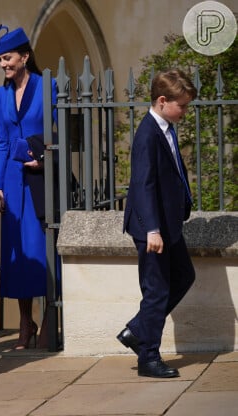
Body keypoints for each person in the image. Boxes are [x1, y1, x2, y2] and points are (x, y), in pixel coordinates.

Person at [119, 69, 197, 378]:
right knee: (156, 291)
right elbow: (143, 184)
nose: (185, 111)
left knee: (183, 276)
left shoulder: (166, 126)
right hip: (154, 228)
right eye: (183, 105)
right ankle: (148, 358)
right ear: (163, 101)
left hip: (169, 225)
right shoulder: (147, 133)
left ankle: (136, 331)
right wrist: (152, 229)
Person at [0, 24, 58, 350]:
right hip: (14, 186)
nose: (4, 64)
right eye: (1, 60)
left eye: (8, 58)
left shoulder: (49, 85)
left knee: (41, 250)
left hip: (41, 180)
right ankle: (25, 321)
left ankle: (49, 320)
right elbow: (2, 141)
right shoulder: (0, 94)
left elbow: (64, 131)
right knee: (16, 254)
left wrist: (45, 159)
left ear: (25, 56)